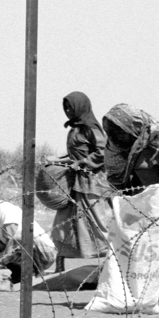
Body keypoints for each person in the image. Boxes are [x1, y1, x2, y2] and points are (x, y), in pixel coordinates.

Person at [102, 103, 159, 313]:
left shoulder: (158, 137)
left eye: (120, 132)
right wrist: (116, 199)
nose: (116, 137)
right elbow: (114, 176)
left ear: (133, 127)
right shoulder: (115, 145)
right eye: (112, 132)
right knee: (137, 250)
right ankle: (134, 296)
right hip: (135, 200)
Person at [45, 92, 111, 272]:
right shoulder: (75, 129)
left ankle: (110, 267)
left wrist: (82, 163)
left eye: (70, 107)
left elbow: (102, 152)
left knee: (95, 225)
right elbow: (75, 155)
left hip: (91, 183)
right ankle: (59, 266)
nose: (67, 111)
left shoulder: (92, 128)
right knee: (63, 223)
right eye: (65, 107)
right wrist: (57, 160)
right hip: (73, 182)